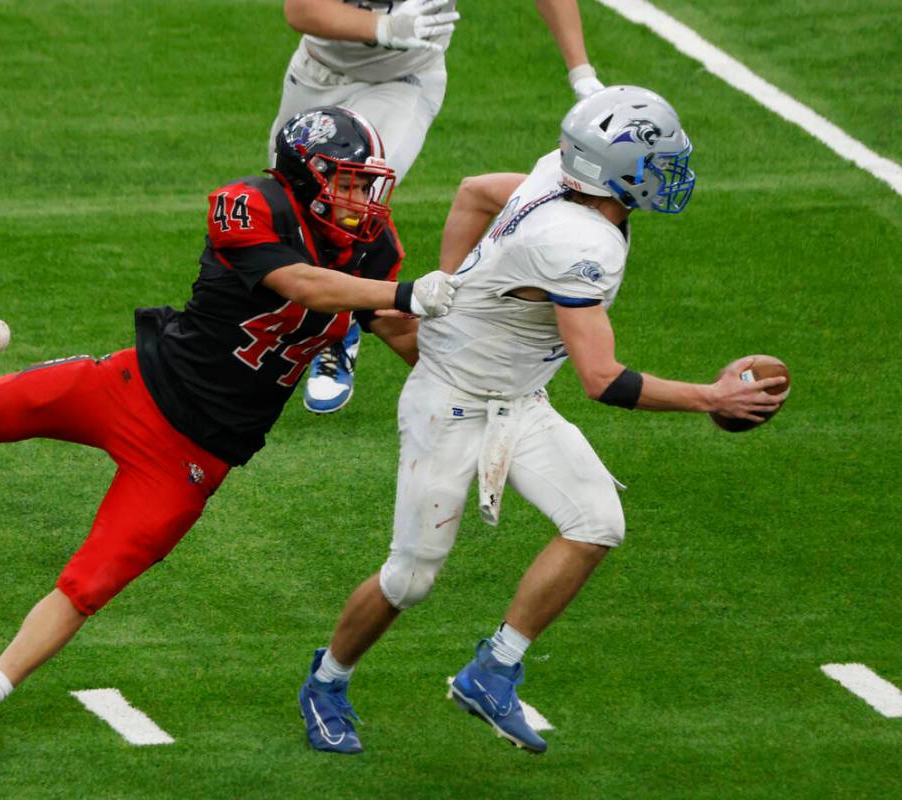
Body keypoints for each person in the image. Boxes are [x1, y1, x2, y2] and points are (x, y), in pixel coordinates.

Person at [0, 106, 460, 757]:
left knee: (88, 584)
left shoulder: (370, 249)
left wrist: (478, 384)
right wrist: (404, 293)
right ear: (304, 174)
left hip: (193, 458)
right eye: (346, 182)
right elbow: (302, 285)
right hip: (134, 388)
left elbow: (401, 333)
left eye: (364, 185)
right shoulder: (249, 204)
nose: (359, 200)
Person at [297, 86, 786, 754]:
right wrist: (712, 398)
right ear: (614, 169)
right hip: (451, 403)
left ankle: (493, 669)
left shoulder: (559, 177)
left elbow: (473, 191)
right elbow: (602, 379)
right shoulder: (580, 243)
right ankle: (326, 682)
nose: (667, 174)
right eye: (654, 161)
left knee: (598, 522)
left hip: (518, 396)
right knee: (410, 576)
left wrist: (454, 288)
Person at [271, 0, 605, 414]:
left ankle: (339, 332)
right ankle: (299, 320)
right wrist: (386, 26)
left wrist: (582, 73)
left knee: (348, 198)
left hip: (402, 77)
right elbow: (301, 10)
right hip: (317, 69)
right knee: (291, 202)